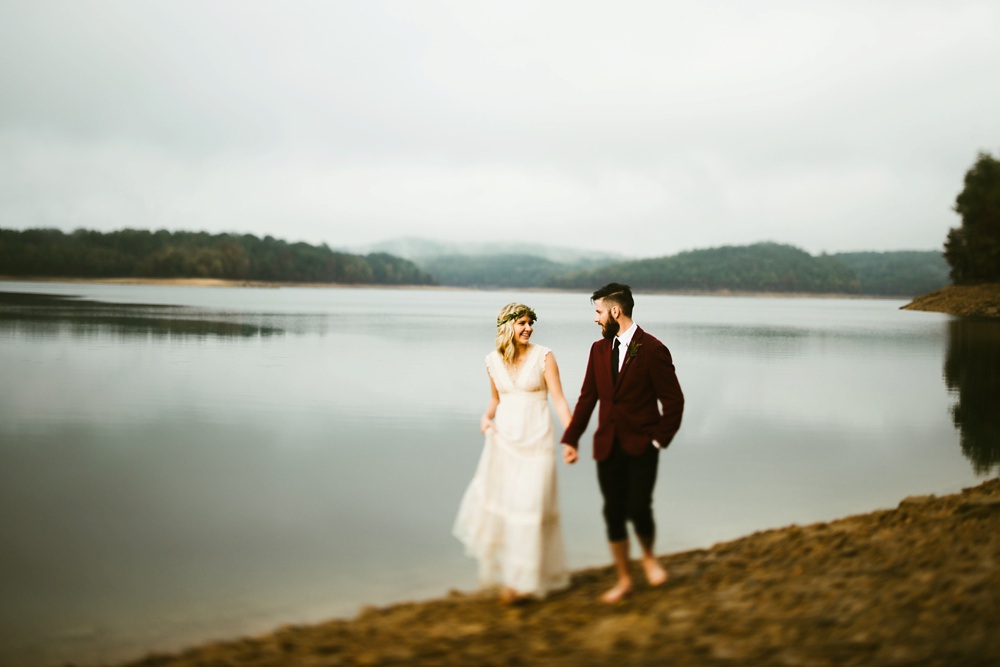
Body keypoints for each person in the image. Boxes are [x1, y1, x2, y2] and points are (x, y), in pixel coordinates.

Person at [561, 283, 684, 603]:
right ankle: (625, 578)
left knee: (639, 508)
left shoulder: (654, 349)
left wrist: (659, 441)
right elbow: (587, 398)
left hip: (642, 445)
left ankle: (648, 558)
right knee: (613, 513)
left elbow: (673, 402)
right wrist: (571, 438)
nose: (596, 319)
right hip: (607, 445)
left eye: (599, 312)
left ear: (616, 311)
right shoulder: (597, 350)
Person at [453, 303, 573, 603]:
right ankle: (516, 580)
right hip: (505, 442)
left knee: (532, 508)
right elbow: (495, 399)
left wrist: (572, 437)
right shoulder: (492, 361)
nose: (528, 328)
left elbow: (558, 400)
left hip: (538, 441)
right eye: (522, 323)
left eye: (531, 323)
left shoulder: (544, 356)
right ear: (507, 326)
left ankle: (525, 581)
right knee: (511, 511)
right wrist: (485, 417)